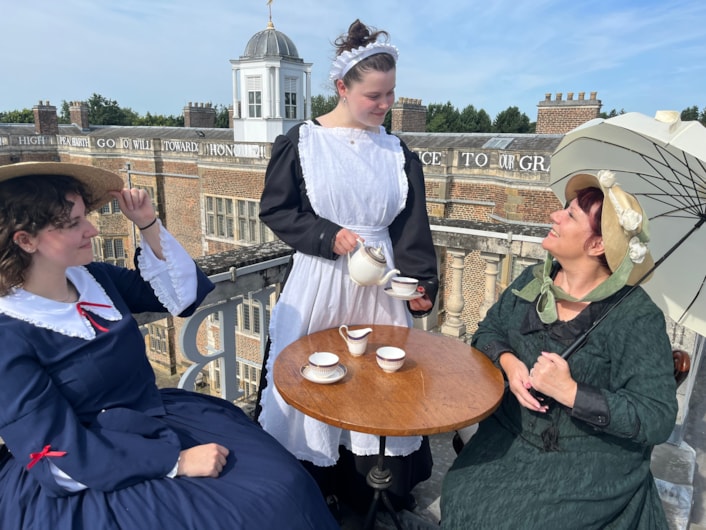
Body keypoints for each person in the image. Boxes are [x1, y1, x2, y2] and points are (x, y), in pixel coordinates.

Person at [0, 162, 338, 529]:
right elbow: (55, 453)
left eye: (85, 217)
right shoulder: (9, 333)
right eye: (73, 223)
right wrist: (173, 461)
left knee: (283, 483)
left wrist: (146, 223)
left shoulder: (94, 279)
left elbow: (180, 296)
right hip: (98, 465)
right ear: (25, 240)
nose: (92, 229)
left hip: (156, 417)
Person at [256, 19, 439, 515]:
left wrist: (422, 286)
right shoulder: (302, 143)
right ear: (342, 87)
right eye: (374, 96)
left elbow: (411, 229)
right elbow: (276, 211)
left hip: (380, 283)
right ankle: (320, 489)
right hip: (320, 279)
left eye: (391, 96)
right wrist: (325, 235)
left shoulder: (399, 152)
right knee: (319, 376)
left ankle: (373, 489)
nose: (384, 106)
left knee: (380, 378)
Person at [441, 170, 678, 529]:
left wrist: (571, 392)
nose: (554, 216)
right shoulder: (533, 281)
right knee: (461, 492)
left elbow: (657, 417)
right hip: (512, 433)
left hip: (588, 457)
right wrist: (510, 364)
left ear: (597, 245)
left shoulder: (635, 316)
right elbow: (488, 330)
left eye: (570, 215)